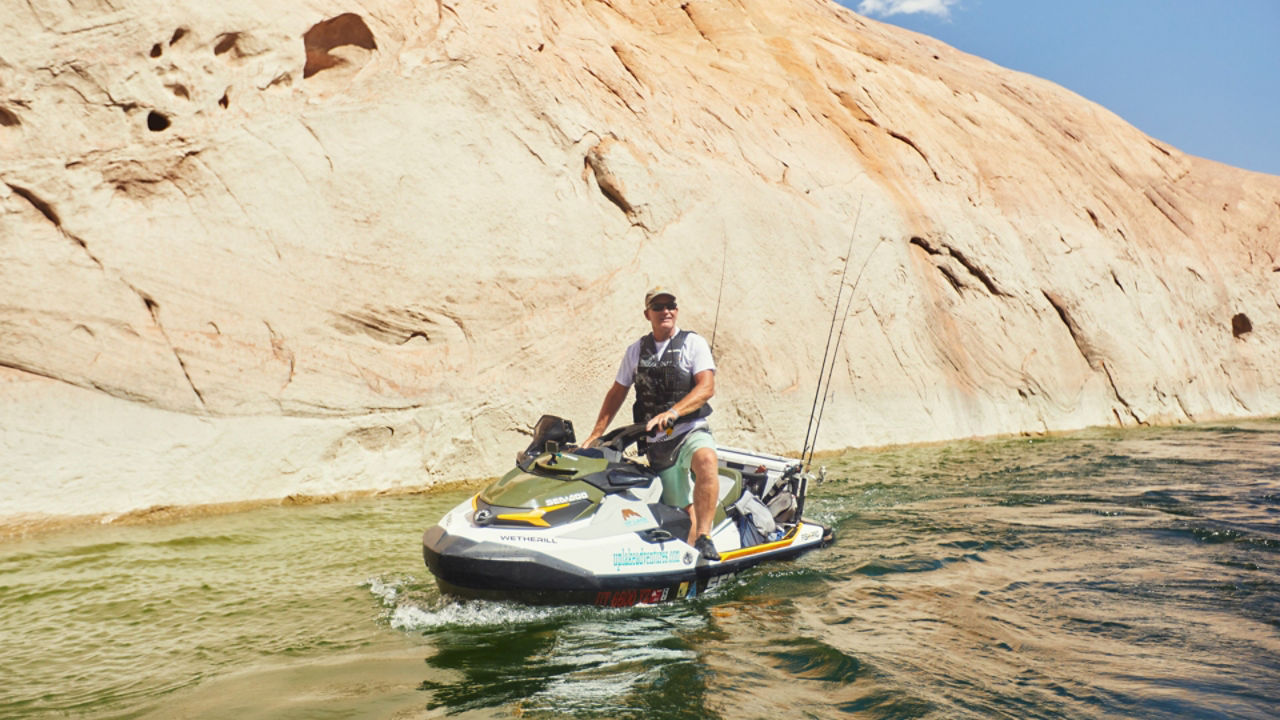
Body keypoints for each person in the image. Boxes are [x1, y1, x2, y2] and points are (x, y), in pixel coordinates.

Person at [581, 286, 722, 561]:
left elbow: (706, 387)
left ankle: (705, 537)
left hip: (690, 431)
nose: (665, 311)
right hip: (658, 444)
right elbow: (617, 393)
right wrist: (596, 434)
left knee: (706, 459)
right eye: (658, 307)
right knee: (681, 509)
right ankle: (690, 555)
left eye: (671, 305)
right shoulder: (635, 351)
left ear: (677, 311)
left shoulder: (694, 344)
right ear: (648, 314)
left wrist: (674, 412)